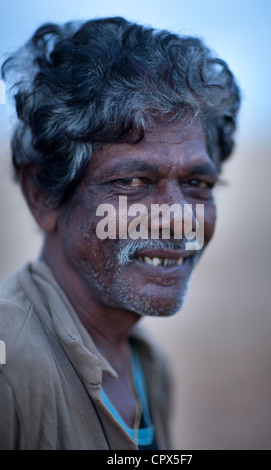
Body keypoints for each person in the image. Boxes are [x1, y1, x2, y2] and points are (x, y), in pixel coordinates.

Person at [0, 17, 240, 450]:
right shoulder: (10, 367)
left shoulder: (147, 366)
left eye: (197, 185)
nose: (179, 217)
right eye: (131, 183)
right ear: (44, 197)